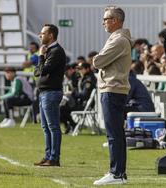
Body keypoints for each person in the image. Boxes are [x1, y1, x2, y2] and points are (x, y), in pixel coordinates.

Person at [92, 6, 132, 185]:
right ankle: (119, 173)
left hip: (113, 89)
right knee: (116, 134)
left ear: (116, 20)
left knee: (113, 134)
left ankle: (116, 173)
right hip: (114, 89)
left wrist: (97, 60)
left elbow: (98, 61)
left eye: (106, 19)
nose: (103, 23)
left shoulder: (119, 40)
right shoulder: (118, 38)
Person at [33, 24, 66, 167]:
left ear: (51, 35)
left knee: (53, 127)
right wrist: (41, 59)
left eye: (43, 33)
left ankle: (54, 158)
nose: (40, 35)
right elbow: (37, 72)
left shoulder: (56, 51)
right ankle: (48, 156)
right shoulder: (49, 51)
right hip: (44, 93)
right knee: (46, 127)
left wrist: (41, 56)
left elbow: (44, 70)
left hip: (51, 92)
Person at [60, 62, 96, 134]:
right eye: (78, 69)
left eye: (81, 69)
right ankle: (71, 125)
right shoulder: (83, 78)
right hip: (80, 102)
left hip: (84, 105)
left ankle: (72, 125)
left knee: (62, 108)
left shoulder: (89, 79)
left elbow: (84, 95)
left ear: (87, 69)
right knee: (62, 107)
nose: (79, 71)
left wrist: (72, 93)